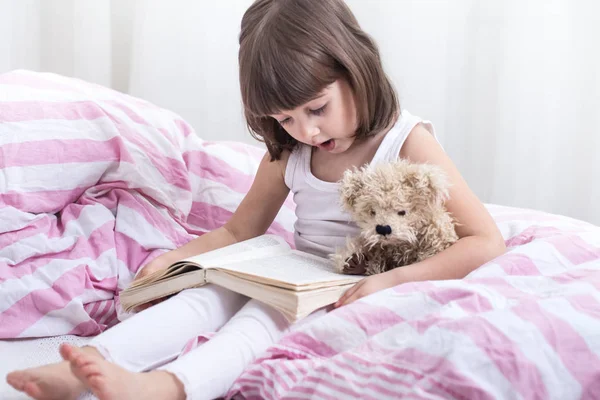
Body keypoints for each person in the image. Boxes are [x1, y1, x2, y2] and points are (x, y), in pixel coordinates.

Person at [6, 0, 506, 399]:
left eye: (316, 108)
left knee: (259, 320)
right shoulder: (289, 150)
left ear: (356, 69)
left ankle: (165, 388)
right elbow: (239, 230)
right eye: (286, 119)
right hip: (294, 270)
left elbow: (484, 240)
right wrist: (174, 261)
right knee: (204, 297)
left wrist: (393, 280)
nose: (306, 132)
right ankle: (91, 366)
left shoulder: (406, 140)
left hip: (344, 282)